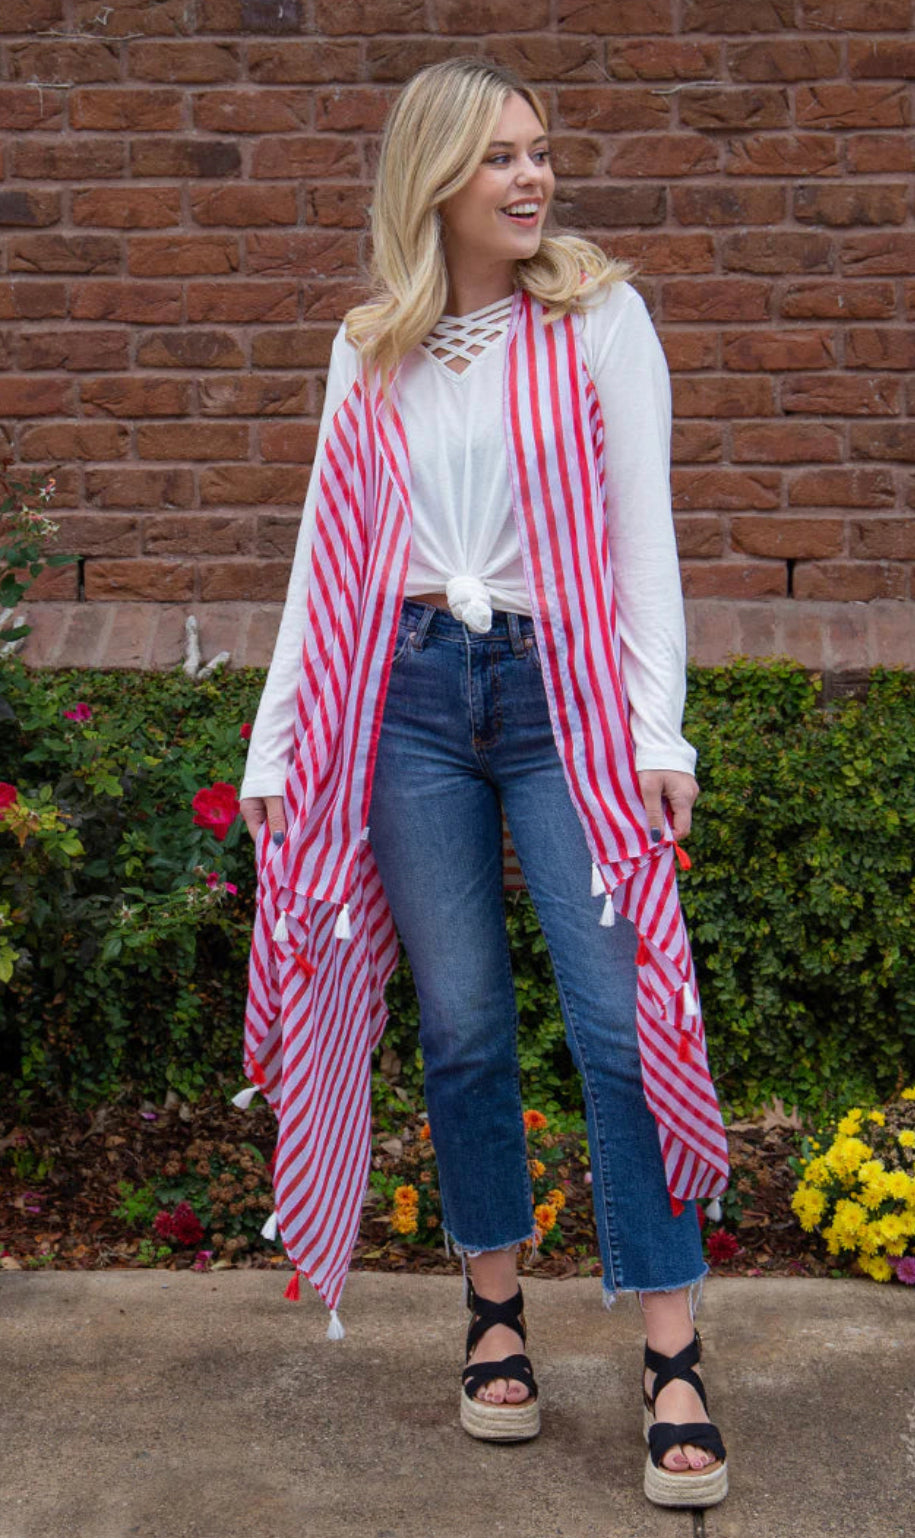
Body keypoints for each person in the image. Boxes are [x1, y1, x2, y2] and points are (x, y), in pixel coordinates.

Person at [238, 57, 730, 1509]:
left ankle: (672, 1346)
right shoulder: (372, 344)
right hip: (400, 697)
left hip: (557, 694)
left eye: (540, 152)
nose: (533, 179)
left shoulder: (598, 322)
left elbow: (645, 542)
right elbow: (325, 558)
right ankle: (494, 1309)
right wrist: (276, 744)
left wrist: (663, 736)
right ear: (436, 179)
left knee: (618, 1021)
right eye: (500, 157)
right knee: (460, 1029)